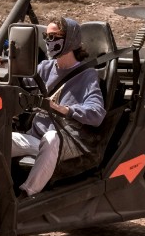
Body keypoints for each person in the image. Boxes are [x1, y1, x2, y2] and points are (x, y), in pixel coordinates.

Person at [12, 17, 106, 197]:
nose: (48, 42)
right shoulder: (44, 68)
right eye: (46, 37)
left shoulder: (87, 75)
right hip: (38, 138)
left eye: (54, 36)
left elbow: (97, 113)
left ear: (70, 39)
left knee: (51, 137)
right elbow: (20, 84)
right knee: (4, 139)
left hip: (68, 139)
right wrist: (4, 67)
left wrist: (65, 109)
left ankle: (27, 194)